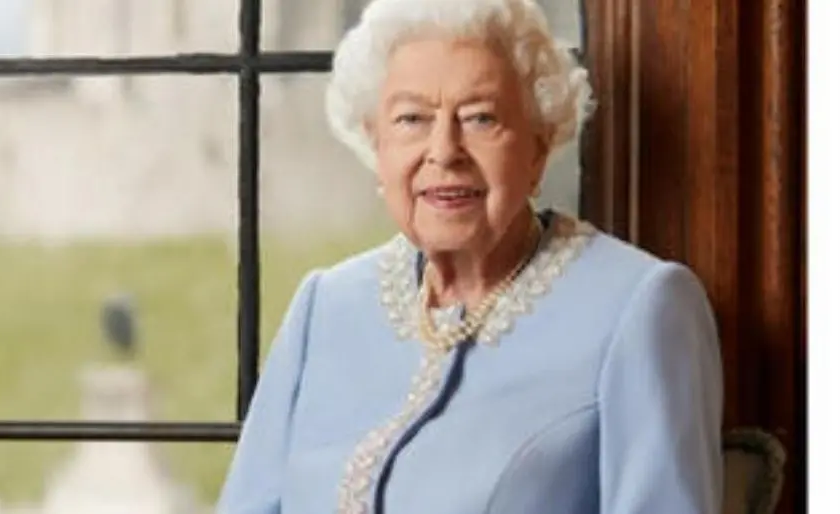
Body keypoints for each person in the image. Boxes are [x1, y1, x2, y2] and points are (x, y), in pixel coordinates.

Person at [215, 0, 724, 512]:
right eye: (411, 119)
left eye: (480, 118)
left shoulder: (639, 307)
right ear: (377, 145)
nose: (444, 151)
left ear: (539, 148)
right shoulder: (324, 308)